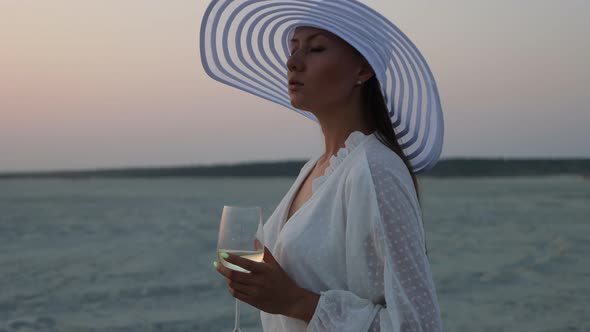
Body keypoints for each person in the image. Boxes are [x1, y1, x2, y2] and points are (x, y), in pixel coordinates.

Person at [201, 1, 444, 330]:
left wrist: (293, 300)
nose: (292, 62)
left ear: (362, 69)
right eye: (293, 48)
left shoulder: (374, 169)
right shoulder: (317, 168)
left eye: (315, 48)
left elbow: (418, 324)